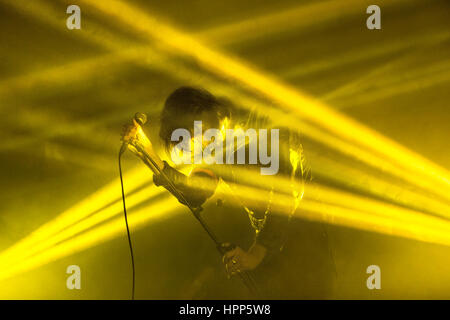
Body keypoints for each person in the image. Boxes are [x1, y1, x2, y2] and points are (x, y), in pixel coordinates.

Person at [122, 86, 336, 298]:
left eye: (196, 135)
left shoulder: (264, 118)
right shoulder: (215, 149)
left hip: (306, 245)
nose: (199, 144)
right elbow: (194, 193)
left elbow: (288, 192)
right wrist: (148, 154)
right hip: (269, 251)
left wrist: (257, 253)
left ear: (203, 111)